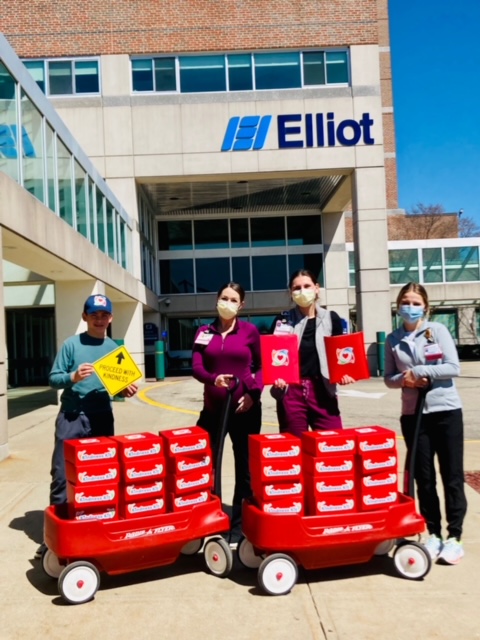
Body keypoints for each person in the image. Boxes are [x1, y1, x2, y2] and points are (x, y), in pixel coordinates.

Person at [35, 294, 138, 558]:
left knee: (102, 476)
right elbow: (54, 379)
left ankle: (96, 527)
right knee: (61, 475)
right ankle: (53, 538)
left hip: (102, 416)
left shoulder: (114, 348)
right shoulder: (71, 345)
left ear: (111, 318)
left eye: (104, 315)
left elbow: (117, 388)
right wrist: (73, 376)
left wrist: (126, 390)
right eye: (94, 315)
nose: (99, 319)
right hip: (72, 416)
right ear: (85, 317)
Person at [384, 282, 467, 565]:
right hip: (414, 415)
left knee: (452, 476)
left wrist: (420, 371)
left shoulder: (437, 332)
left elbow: (453, 367)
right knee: (424, 477)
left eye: (416, 302)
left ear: (425, 307)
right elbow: (389, 377)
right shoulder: (393, 339)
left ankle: (454, 536)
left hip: (445, 412)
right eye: (406, 301)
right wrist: (404, 380)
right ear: (398, 306)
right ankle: (433, 532)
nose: (411, 306)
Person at [192, 282, 263, 546]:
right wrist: (213, 379)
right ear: (216, 299)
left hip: (245, 411)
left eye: (234, 300)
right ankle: (211, 518)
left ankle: (239, 526)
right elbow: (196, 367)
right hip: (213, 411)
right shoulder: (203, 331)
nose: (228, 303)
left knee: (245, 469)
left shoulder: (250, 332)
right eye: (224, 298)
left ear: (241, 305)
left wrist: (252, 395)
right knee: (207, 466)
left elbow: (261, 366)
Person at [271, 269, 355, 435]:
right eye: (297, 288)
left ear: (316, 288)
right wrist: (277, 377)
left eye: (307, 286)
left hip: (323, 391)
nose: (302, 291)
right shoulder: (282, 321)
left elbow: (340, 353)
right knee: (295, 448)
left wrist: (344, 373)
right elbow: (273, 357)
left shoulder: (331, 319)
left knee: (332, 444)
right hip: (291, 392)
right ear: (290, 292)